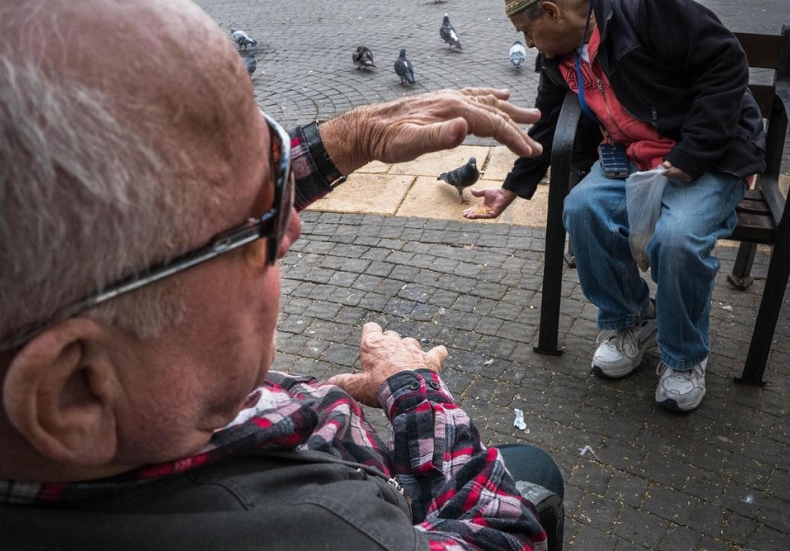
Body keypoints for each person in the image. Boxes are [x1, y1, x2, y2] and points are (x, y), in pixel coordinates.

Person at [0, 0, 566, 549]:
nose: (292, 227)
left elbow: (179, 197)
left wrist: (356, 136)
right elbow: (507, 535)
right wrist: (415, 391)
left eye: (275, 164)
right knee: (535, 471)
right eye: (256, 230)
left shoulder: (129, 407)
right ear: (76, 391)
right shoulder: (318, 530)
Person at [465, 0, 766, 412]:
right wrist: (512, 187)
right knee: (583, 209)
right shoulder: (559, 59)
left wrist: (695, 152)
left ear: (553, 12)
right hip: (632, 156)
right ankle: (630, 320)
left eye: (528, 32)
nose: (530, 44)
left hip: (710, 156)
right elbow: (550, 122)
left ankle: (684, 357)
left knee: (676, 241)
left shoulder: (648, 10)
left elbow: (727, 64)